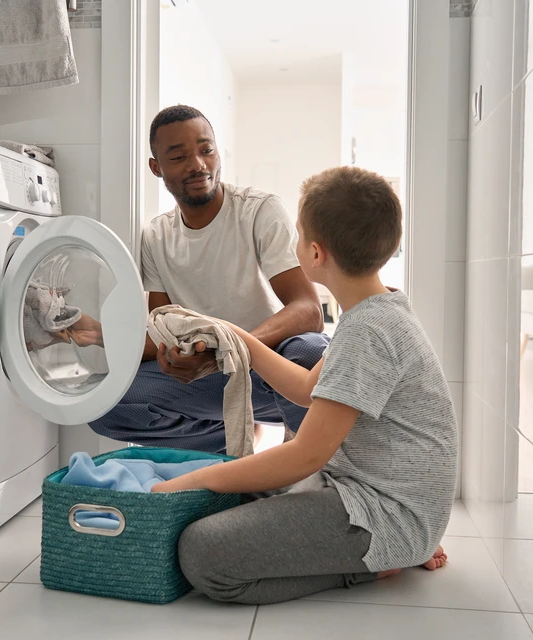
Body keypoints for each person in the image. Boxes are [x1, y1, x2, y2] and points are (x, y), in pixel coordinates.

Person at [150, 166, 458, 605]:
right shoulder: (373, 309)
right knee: (225, 497)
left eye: (296, 234)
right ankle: (387, 550)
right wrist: (237, 337)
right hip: (367, 493)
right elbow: (306, 390)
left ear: (315, 254)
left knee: (202, 554)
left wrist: (200, 477)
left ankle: (376, 564)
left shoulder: (369, 331)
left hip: (385, 513)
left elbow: (305, 455)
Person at [87, 105, 328, 452]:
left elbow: (309, 311)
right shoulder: (155, 237)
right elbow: (162, 332)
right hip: (210, 374)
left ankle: (309, 462)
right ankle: (231, 445)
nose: (198, 164)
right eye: (179, 155)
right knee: (103, 401)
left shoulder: (258, 210)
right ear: (156, 167)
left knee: (311, 354)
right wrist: (97, 334)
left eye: (206, 149)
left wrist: (228, 348)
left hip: (267, 367)